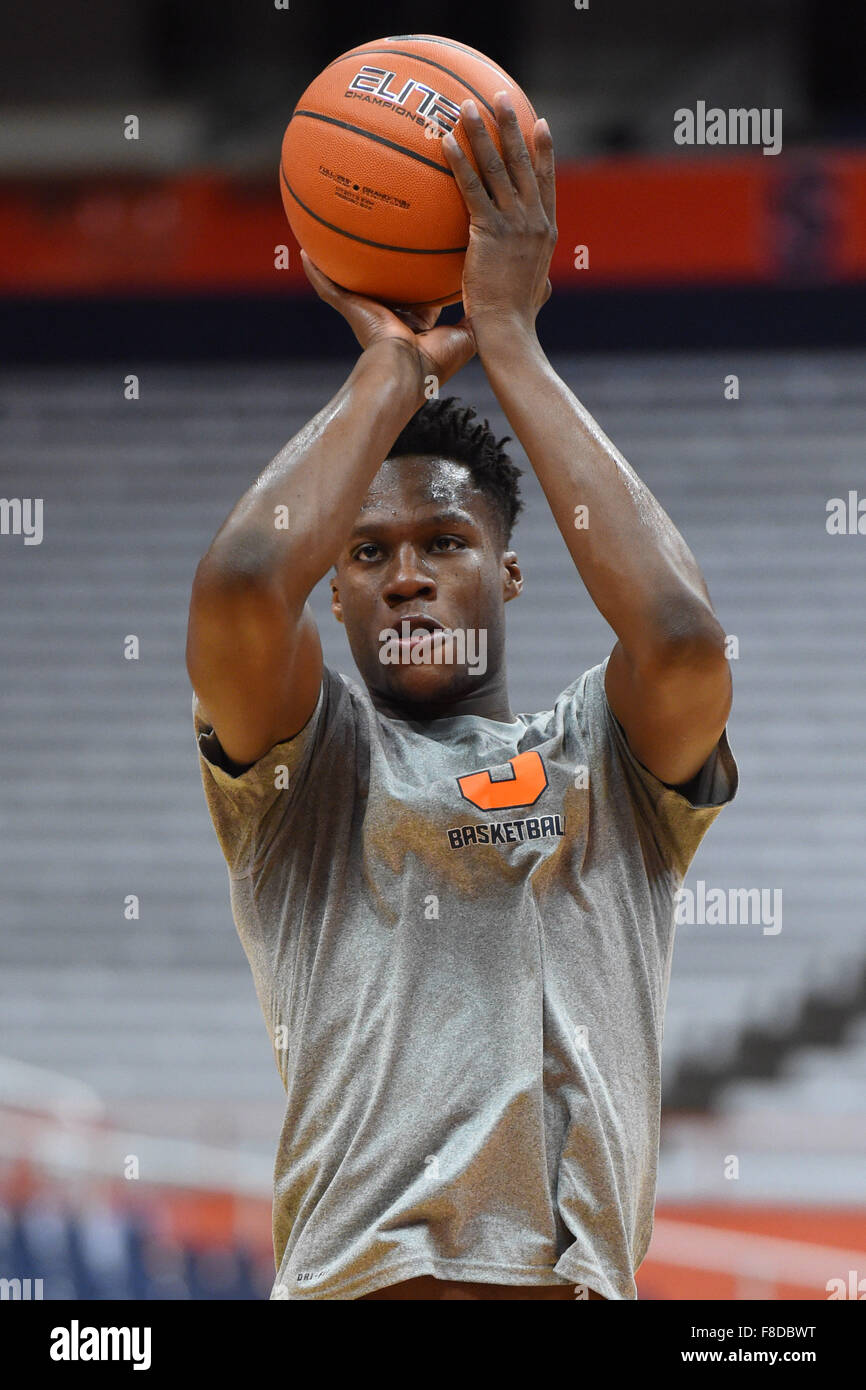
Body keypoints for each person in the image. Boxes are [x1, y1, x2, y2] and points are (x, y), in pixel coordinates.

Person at [186, 93, 738, 1300]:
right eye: (367, 555)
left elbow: (687, 645)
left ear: (508, 570)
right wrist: (390, 366)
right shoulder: (307, 773)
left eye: (443, 541)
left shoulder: (604, 760)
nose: (405, 576)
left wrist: (509, 339)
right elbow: (236, 591)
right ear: (332, 597)